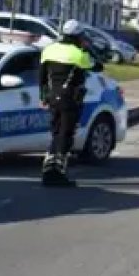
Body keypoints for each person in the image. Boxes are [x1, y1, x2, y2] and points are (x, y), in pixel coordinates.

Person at [38, 19, 103, 187]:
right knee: (66, 135)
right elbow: (98, 66)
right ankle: (58, 172)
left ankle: (48, 169)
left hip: (53, 97)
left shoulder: (49, 50)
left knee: (56, 132)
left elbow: (42, 77)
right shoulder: (79, 54)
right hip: (71, 99)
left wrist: (43, 97)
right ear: (77, 36)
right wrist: (88, 48)